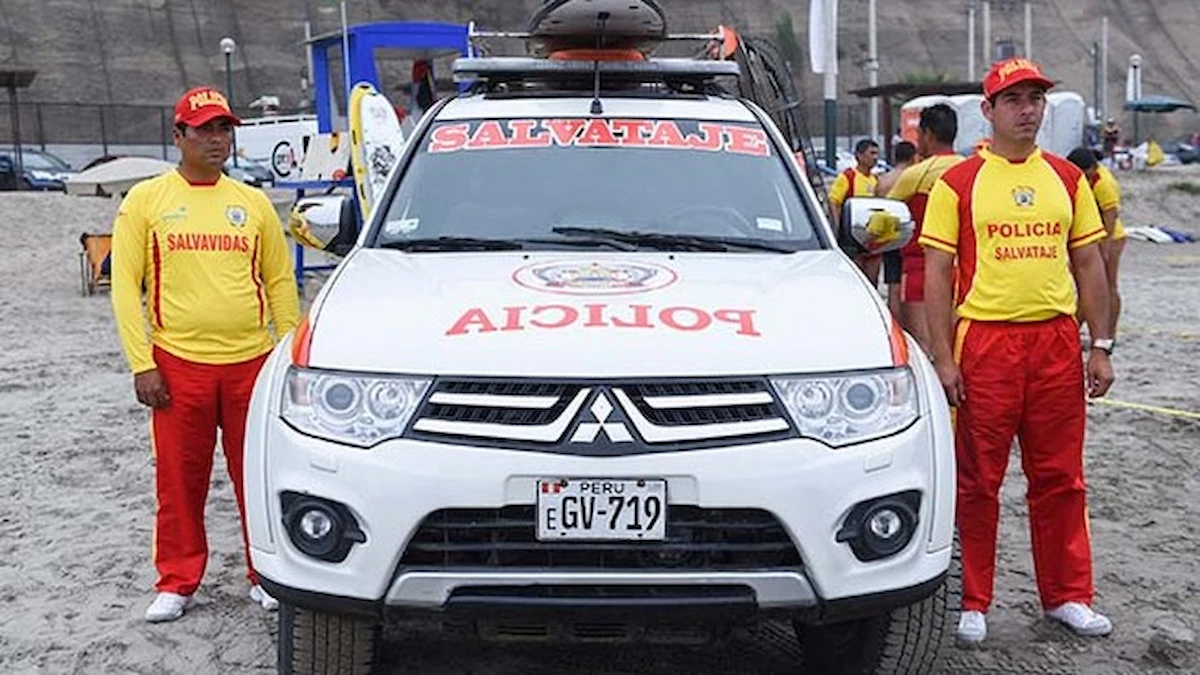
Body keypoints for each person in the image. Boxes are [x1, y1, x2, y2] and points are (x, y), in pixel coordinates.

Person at [920, 58, 1115, 646]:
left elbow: (1089, 264)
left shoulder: (1067, 178)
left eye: (1035, 99)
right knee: (978, 480)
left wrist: (1100, 345)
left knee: (1061, 478)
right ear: (989, 110)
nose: (1028, 110)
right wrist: (943, 358)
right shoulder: (957, 183)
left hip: (1055, 341)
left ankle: (1068, 596)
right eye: (1015, 100)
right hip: (985, 342)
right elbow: (935, 273)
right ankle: (971, 600)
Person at [110, 86, 301, 623]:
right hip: (178, 364)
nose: (217, 140)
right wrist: (141, 362)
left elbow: (279, 282)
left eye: (225, 130)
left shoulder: (253, 203)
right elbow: (125, 286)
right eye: (205, 130)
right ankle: (177, 581)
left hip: (252, 364)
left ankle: (265, 575)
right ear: (179, 136)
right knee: (179, 479)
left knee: (259, 476)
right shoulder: (147, 200)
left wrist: (290, 356)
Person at [886, 105, 962, 354]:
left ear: (928, 135)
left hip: (921, 271)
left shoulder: (916, 175)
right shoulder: (972, 171)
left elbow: (885, 218)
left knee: (923, 350)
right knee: (959, 349)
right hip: (966, 274)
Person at [1068, 147, 1127, 341]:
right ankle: (1076, 331)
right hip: (1090, 236)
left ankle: (1109, 335)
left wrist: (1105, 249)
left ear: (1091, 168)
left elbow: (1110, 216)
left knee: (1108, 286)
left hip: (1110, 237)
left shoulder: (1103, 183)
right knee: (1086, 286)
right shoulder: (1081, 179)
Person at [828, 139, 881, 282]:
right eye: (871, 153)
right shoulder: (848, 177)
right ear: (859, 156)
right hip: (852, 239)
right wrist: (838, 227)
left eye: (877, 154)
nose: (875, 157)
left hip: (872, 238)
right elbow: (834, 201)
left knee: (872, 279)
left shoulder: (876, 180)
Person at [875, 141, 918, 316]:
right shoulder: (913, 177)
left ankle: (895, 321)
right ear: (913, 157)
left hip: (889, 234)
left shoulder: (883, 180)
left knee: (893, 282)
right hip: (908, 234)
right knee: (907, 282)